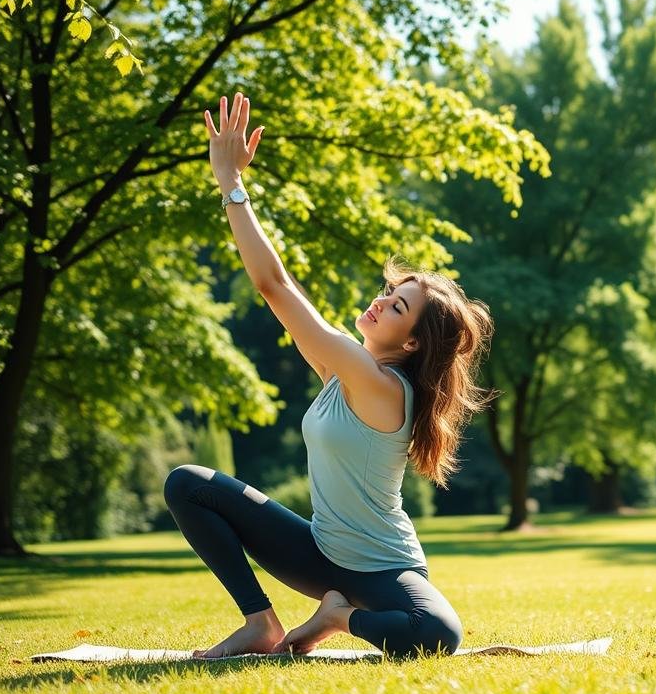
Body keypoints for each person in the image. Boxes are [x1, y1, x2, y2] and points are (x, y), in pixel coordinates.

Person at [164, 92, 494, 660]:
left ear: (412, 342)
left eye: (397, 307)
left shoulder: (381, 384)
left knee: (438, 635)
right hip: (318, 552)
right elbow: (277, 287)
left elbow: (275, 285)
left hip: (382, 569)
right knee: (187, 482)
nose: (381, 301)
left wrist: (231, 185)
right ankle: (260, 623)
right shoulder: (341, 370)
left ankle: (339, 617)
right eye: (389, 292)